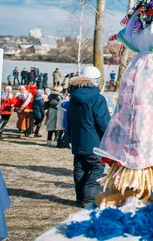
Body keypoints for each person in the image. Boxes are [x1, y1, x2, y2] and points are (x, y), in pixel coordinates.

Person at [67, 66, 110, 207]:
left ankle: (80, 196)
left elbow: (69, 119)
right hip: (94, 141)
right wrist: (109, 138)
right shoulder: (98, 99)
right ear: (96, 81)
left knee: (80, 168)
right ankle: (89, 198)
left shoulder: (73, 97)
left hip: (78, 139)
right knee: (96, 168)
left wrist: (69, 136)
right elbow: (103, 122)